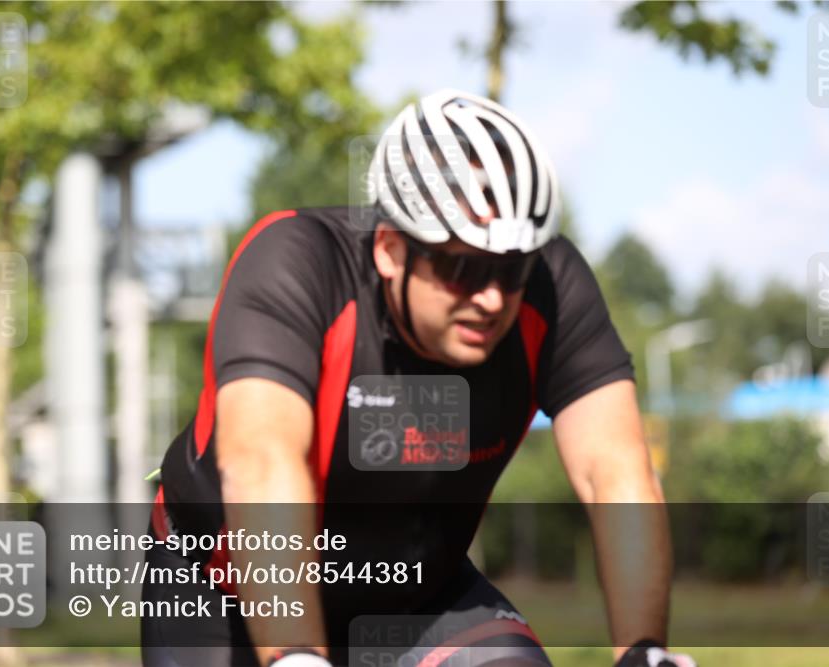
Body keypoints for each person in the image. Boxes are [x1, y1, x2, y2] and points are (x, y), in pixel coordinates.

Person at [141, 89, 696, 667]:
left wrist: (644, 651)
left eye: (511, 269)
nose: (490, 297)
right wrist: (295, 656)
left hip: (418, 596)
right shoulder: (297, 263)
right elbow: (262, 461)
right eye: (461, 267)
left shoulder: (552, 288)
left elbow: (616, 470)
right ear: (390, 249)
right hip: (223, 587)